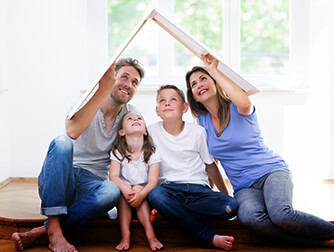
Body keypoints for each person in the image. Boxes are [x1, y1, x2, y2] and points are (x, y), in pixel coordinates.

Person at [185, 53, 334, 247]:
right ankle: (320, 243)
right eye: (193, 84)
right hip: (243, 187)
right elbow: (210, 164)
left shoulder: (237, 106)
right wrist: (223, 195)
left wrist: (213, 69)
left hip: (271, 171)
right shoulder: (201, 123)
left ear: (215, 82)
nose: (199, 85)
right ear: (193, 95)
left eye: (203, 78)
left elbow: (246, 102)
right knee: (250, 219)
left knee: (281, 214)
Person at [11, 58, 145, 252]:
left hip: (91, 186)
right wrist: (102, 90)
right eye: (124, 77)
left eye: (134, 82)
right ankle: (55, 229)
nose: (129, 85)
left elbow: (136, 153)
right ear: (110, 78)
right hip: (61, 179)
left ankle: (42, 231)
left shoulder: (130, 114)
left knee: (111, 190)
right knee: (61, 142)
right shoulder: (83, 99)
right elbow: (72, 132)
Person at [148, 84, 238, 251]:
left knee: (231, 206)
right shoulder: (150, 131)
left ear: (184, 107)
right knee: (155, 195)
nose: (167, 103)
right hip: (169, 191)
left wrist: (225, 195)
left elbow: (210, 166)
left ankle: (168, 212)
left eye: (173, 99)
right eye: (162, 101)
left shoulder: (198, 132)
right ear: (157, 110)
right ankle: (208, 236)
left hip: (199, 191)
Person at [109, 111, 163, 251]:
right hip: (125, 198)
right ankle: (125, 235)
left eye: (139, 118)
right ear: (121, 132)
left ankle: (150, 234)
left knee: (138, 188)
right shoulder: (118, 151)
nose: (136, 119)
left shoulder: (152, 151)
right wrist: (126, 189)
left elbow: (152, 181)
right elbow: (113, 176)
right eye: (130, 119)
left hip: (144, 197)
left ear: (145, 131)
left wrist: (141, 194)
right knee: (123, 192)